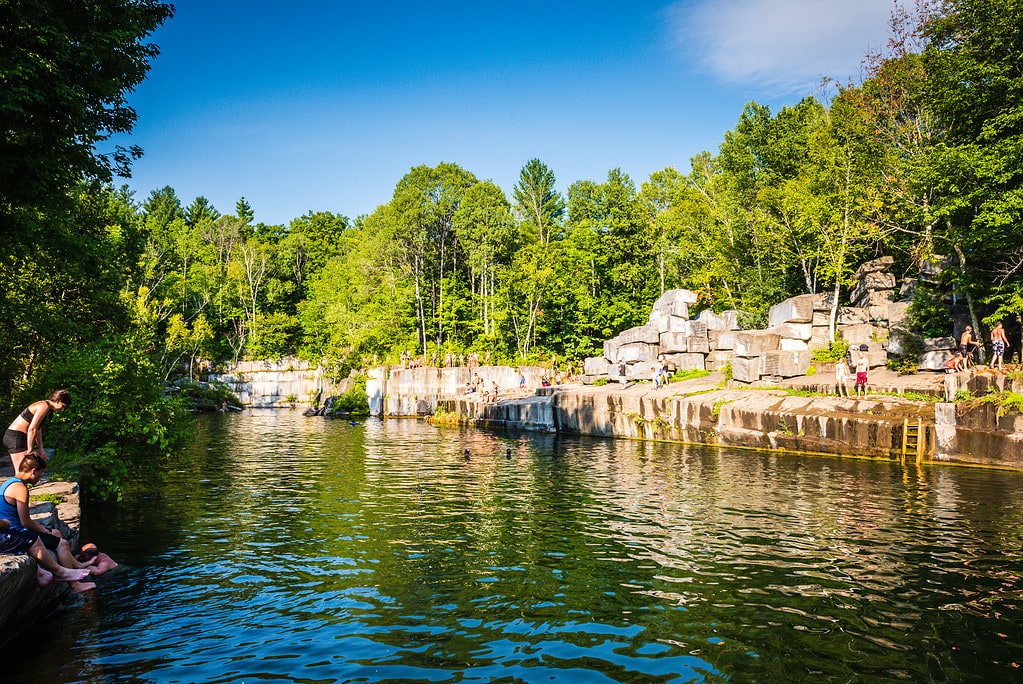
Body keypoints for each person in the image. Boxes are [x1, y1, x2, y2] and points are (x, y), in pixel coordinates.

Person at [0, 454, 97, 592]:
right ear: (33, 471)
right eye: (40, 473)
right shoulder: (20, 489)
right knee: (62, 543)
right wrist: (42, 529)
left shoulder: (8, 482)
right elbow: (25, 522)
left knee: (56, 533)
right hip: (17, 530)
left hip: (13, 528)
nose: (40, 477)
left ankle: (75, 564)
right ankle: (75, 585)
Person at [4, 389, 70, 475]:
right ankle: (14, 488)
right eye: (63, 406)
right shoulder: (43, 406)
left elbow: (38, 429)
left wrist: (41, 448)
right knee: (21, 473)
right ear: (57, 401)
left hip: (17, 437)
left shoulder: (45, 406)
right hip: (15, 437)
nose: (62, 409)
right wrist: (30, 449)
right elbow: (32, 429)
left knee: (24, 472)